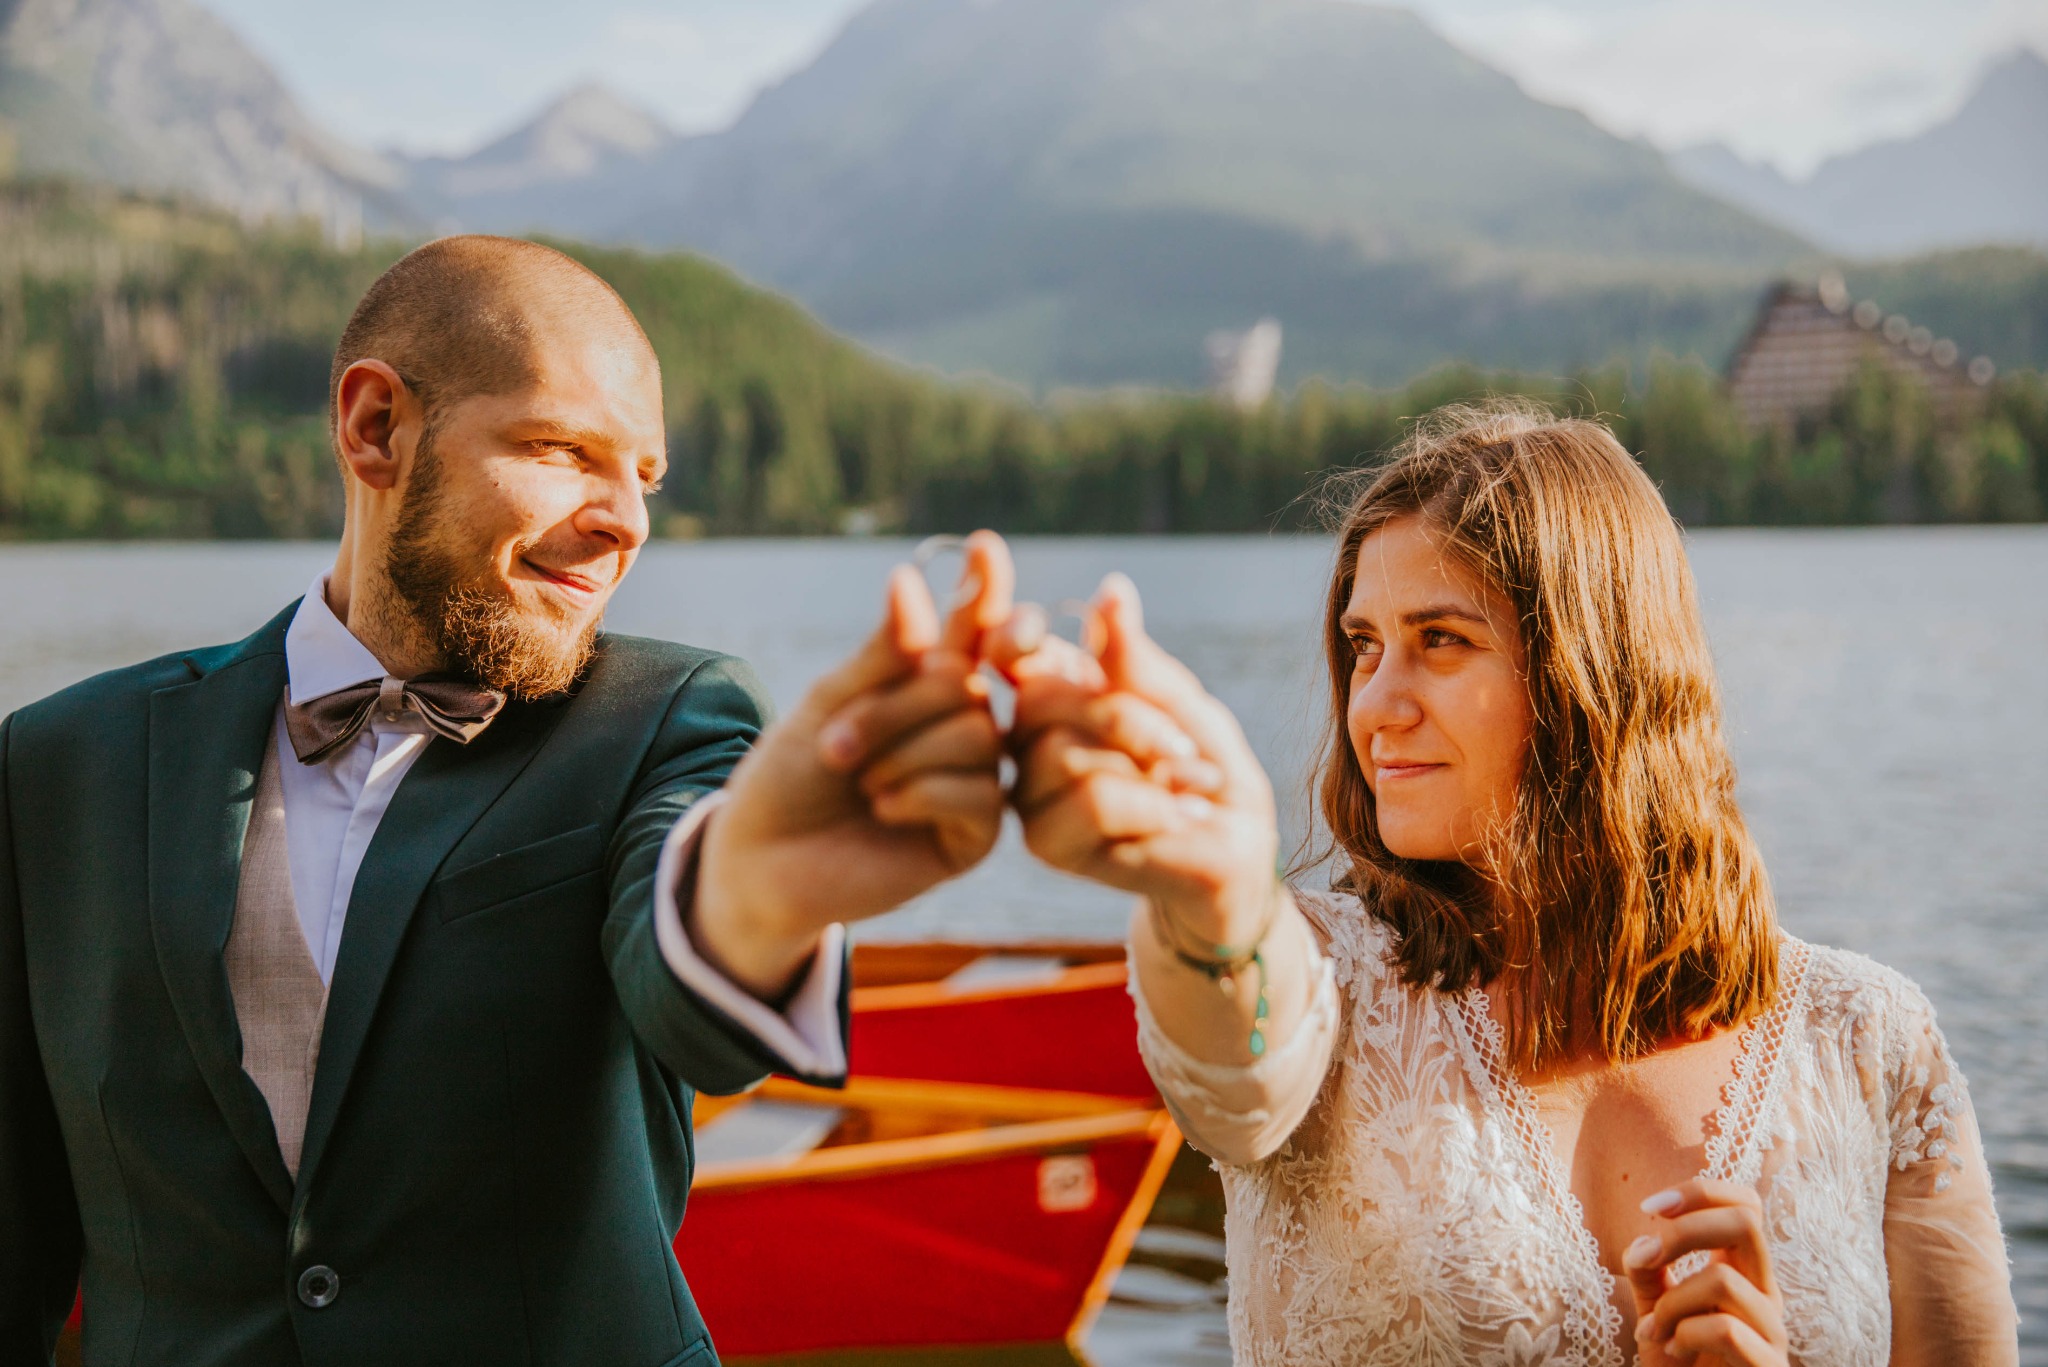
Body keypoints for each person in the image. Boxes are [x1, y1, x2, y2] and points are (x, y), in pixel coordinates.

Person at [0, 236, 1024, 1367]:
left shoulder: (672, 717)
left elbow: (694, 977)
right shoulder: (57, 765)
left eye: (645, 475)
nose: (625, 520)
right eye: (564, 448)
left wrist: (767, 876)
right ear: (375, 427)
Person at [998, 402, 2019, 1365]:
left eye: (1439, 641)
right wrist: (1213, 893)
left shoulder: (1869, 1037)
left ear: (1591, 674)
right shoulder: (1322, 971)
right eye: (1363, 647)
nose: (1375, 708)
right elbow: (1228, 1047)